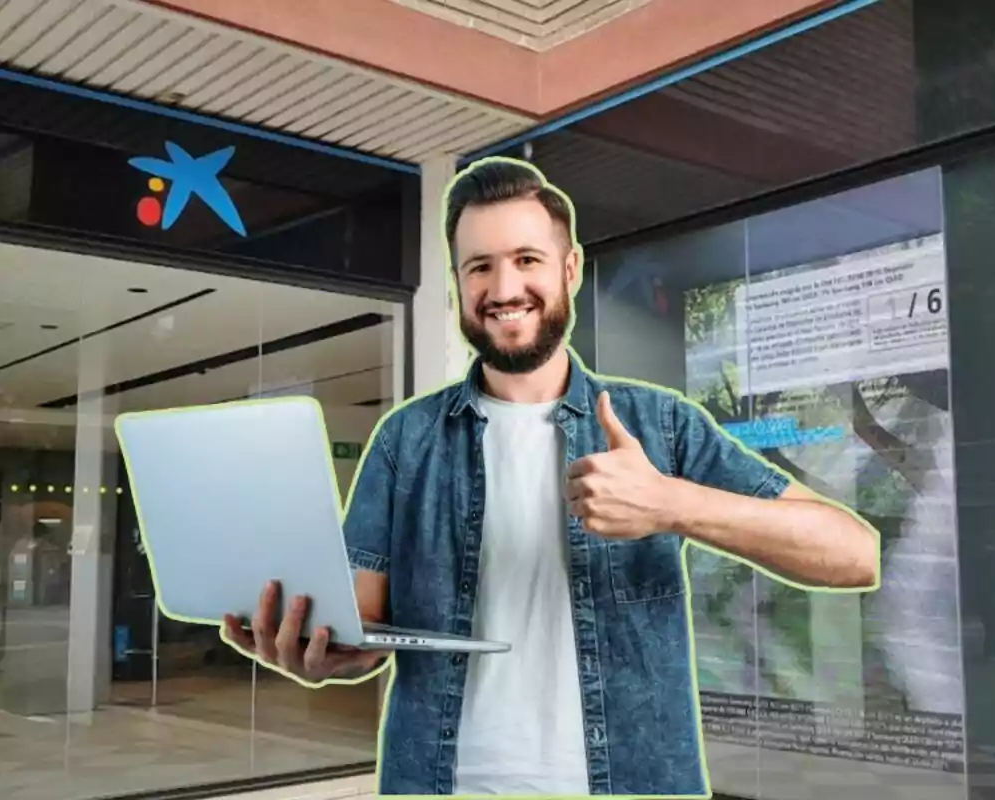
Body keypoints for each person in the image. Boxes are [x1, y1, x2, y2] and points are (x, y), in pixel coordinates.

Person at [222, 157, 881, 797]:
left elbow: (851, 552)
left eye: (527, 260)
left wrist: (672, 503)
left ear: (570, 269)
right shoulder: (406, 439)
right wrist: (325, 650)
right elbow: (366, 622)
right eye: (480, 267)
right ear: (457, 283)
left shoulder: (660, 425)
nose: (504, 289)